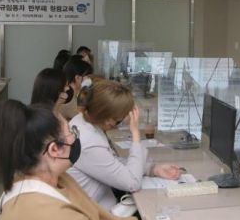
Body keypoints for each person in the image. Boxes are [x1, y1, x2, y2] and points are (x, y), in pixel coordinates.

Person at [0, 100, 169, 220]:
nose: (76, 139)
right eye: (71, 133)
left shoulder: (56, 179)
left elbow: (98, 214)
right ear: (54, 149)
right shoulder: (47, 218)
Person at [69, 80, 183, 210]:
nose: (123, 120)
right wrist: (135, 134)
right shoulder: (89, 141)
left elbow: (111, 163)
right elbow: (132, 183)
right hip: (96, 215)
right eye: (120, 117)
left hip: (99, 204)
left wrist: (153, 169)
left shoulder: (82, 121)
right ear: (108, 119)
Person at [57, 56, 94, 120]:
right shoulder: (68, 97)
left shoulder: (73, 93)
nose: (90, 79)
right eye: (88, 76)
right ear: (77, 78)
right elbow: (84, 118)